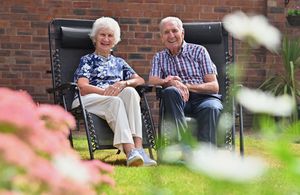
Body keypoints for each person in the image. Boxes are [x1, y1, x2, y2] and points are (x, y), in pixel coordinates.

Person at [72, 17, 156, 167]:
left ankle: (139, 149)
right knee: (115, 100)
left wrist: (124, 83)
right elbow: (83, 86)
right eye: (102, 35)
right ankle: (130, 152)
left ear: (115, 40)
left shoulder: (119, 62)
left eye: (110, 36)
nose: (106, 39)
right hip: (87, 98)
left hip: (110, 101)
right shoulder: (87, 60)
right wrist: (106, 91)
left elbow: (140, 80)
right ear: (95, 38)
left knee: (130, 92)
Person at [149, 16, 223, 145]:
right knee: (170, 92)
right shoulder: (159, 57)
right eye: (166, 32)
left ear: (182, 33)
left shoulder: (199, 51)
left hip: (204, 98)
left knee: (212, 107)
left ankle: (205, 153)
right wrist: (170, 82)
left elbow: (214, 86)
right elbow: (152, 80)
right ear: (161, 37)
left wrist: (186, 86)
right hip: (178, 101)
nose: (171, 35)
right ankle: (184, 147)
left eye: (174, 30)